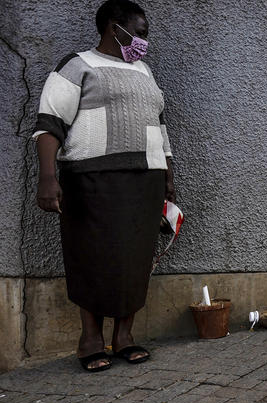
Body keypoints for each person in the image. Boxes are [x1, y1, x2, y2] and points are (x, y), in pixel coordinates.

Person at [33, 0, 176, 371]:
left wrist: (168, 174)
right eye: (140, 32)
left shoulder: (144, 71)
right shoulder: (77, 65)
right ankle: (90, 341)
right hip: (91, 179)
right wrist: (47, 179)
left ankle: (124, 337)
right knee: (92, 257)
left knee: (135, 258)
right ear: (115, 27)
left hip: (145, 178)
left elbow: (159, 127)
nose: (144, 41)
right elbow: (50, 123)